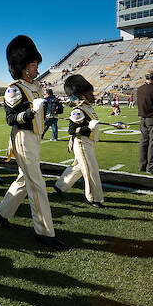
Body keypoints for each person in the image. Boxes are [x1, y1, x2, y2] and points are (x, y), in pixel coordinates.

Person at [0, 35, 67, 250]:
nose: (36, 67)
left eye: (36, 63)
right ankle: (43, 231)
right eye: (33, 64)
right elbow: (10, 119)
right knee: (37, 184)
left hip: (35, 137)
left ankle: (1, 212)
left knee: (25, 180)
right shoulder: (15, 89)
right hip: (23, 138)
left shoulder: (37, 86)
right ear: (23, 67)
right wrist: (30, 112)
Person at [54, 75, 104, 208]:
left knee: (78, 168)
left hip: (89, 142)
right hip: (82, 143)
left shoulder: (87, 107)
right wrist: (88, 128)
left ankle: (60, 186)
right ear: (82, 95)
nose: (92, 95)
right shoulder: (78, 110)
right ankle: (93, 198)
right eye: (89, 93)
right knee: (91, 170)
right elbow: (72, 130)